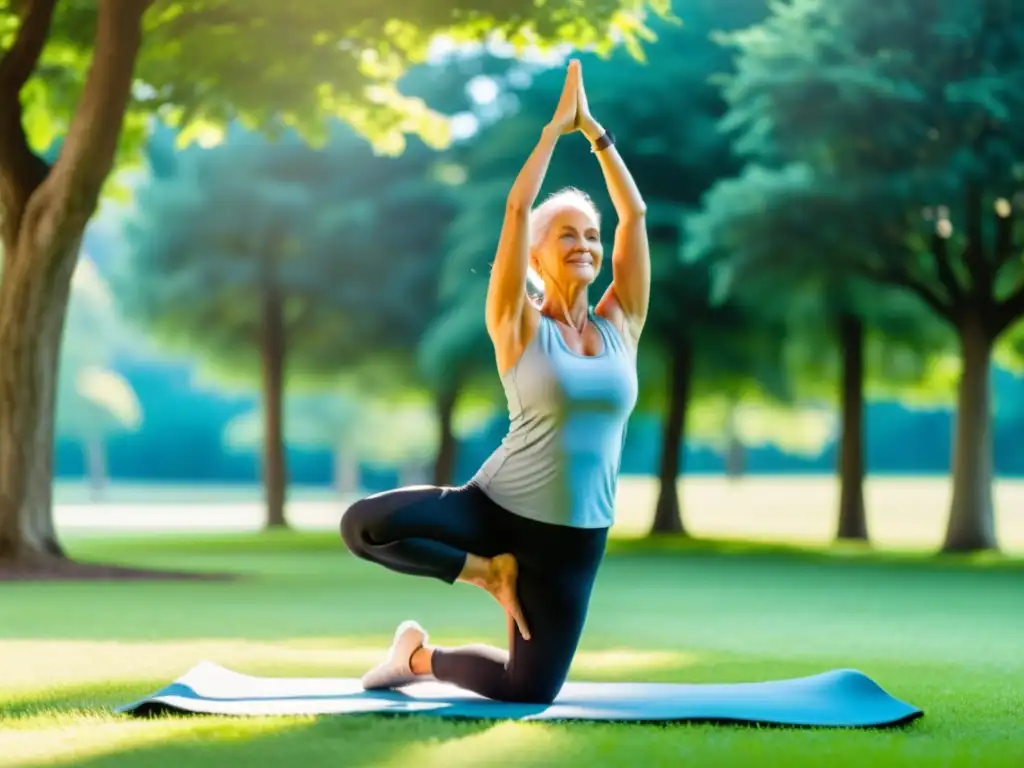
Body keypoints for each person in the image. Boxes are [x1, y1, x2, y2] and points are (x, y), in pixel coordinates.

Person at [340, 58, 650, 705]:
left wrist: (595, 135)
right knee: (362, 527)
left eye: (591, 235)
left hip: (574, 537)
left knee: (527, 690)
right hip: (494, 509)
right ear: (537, 252)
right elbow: (515, 210)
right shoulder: (516, 324)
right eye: (567, 234)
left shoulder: (624, 323)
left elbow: (637, 217)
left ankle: (417, 659)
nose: (585, 245)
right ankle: (488, 573)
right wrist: (550, 133)